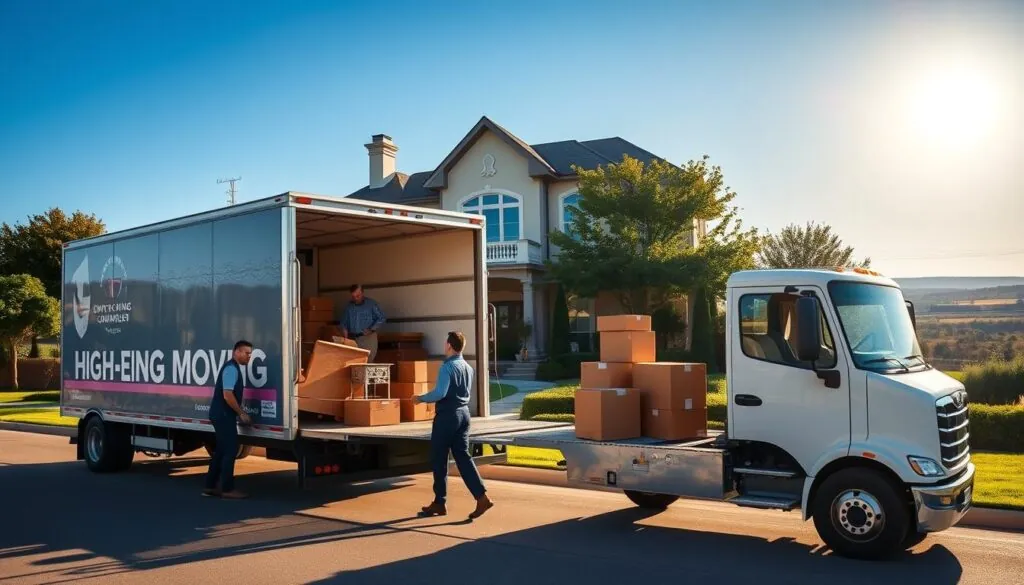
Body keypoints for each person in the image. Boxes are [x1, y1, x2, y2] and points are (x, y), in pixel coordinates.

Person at [413, 331, 493, 519]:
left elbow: (440, 393)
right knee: (463, 457)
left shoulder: (447, 367)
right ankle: (482, 497)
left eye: (445, 343)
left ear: (449, 345)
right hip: (464, 414)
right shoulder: (467, 367)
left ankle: (440, 502)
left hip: (447, 416)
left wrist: (420, 398)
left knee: (439, 459)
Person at [203, 340, 254, 499]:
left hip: (221, 414)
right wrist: (241, 413)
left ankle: (210, 486)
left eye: (250, 354)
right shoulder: (231, 369)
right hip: (223, 415)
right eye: (246, 353)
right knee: (230, 451)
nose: (249, 357)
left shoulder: (232, 368)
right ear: (236, 352)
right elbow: (227, 395)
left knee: (221, 451)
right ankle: (227, 489)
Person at [340, 284, 386, 361]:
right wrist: (346, 338)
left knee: (368, 362)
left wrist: (371, 329)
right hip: (353, 339)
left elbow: (381, 318)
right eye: (353, 297)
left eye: (358, 296)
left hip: (368, 338)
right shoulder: (349, 307)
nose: (356, 298)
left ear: (362, 293)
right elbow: (343, 323)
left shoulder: (371, 304)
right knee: (354, 363)